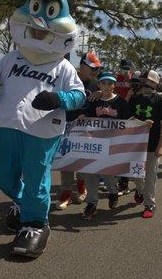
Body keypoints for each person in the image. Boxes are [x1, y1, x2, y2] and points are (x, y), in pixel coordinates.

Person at [0, 0, 86, 258]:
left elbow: (79, 96)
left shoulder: (62, 67)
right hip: (3, 127)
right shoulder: (11, 58)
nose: (39, 25)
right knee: (3, 177)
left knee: (36, 179)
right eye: (35, 10)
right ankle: (23, 205)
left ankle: (36, 223)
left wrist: (57, 98)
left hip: (41, 132)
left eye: (49, 12)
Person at [81, 71, 132, 220]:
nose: (107, 86)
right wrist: (81, 118)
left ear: (114, 85)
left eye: (110, 83)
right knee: (90, 173)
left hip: (112, 144)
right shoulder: (94, 101)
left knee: (107, 173)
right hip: (94, 143)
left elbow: (129, 120)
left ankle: (113, 192)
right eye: (104, 82)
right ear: (99, 85)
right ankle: (91, 203)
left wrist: (143, 124)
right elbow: (86, 115)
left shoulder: (121, 102)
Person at [56, 52, 102, 210]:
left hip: (85, 129)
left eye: (97, 70)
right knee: (66, 160)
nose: (95, 73)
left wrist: (102, 93)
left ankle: (82, 188)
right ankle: (66, 194)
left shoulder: (96, 84)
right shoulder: (68, 79)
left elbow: (102, 104)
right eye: (93, 69)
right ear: (82, 67)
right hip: (66, 126)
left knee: (82, 161)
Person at [129, 70, 162, 218]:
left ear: (154, 84)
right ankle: (139, 189)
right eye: (143, 81)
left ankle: (149, 204)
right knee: (136, 174)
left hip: (153, 145)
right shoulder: (134, 99)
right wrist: (141, 123)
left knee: (151, 176)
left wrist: (161, 145)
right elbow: (129, 118)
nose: (145, 84)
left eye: (149, 82)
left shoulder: (160, 101)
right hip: (136, 144)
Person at [115, 58, 134, 194]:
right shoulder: (117, 78)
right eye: (123, 68)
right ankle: (118, 179)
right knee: (116, 149)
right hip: (117, 116)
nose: (125, 71)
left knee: (126, 150)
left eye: (127, 68)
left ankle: (125, 183)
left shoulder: (135, 81)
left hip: (130, 117)